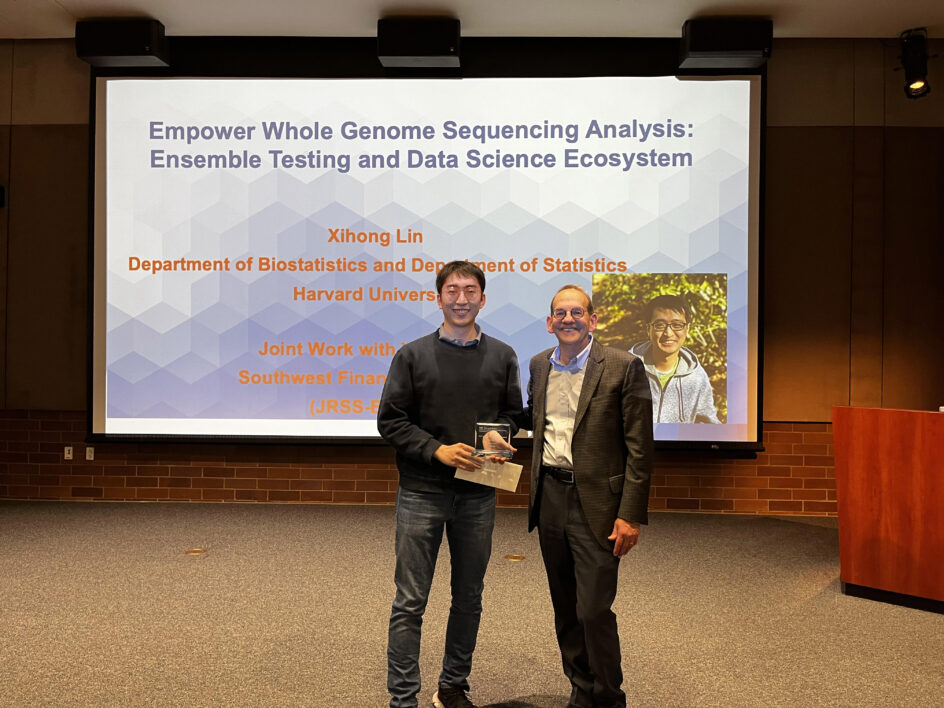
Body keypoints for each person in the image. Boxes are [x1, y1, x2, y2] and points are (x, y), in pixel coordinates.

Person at [377, 260, 523, 708]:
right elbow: (391, 421)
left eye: (470, 290)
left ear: (483, 297)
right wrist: (436, 450)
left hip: (478, 494)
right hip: (422, 492)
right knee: (410, 602)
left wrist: (503, 432)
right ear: (438, 297)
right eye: (452, 290)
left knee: (469, 598)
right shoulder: (412, 355)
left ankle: (452, 687)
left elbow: (513, 415)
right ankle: (403, 699)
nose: (461, 298)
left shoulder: (502, 355)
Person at [516, 284, 653, 708]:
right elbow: (533, 419)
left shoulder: (623, 365)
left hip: (597, 504)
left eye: (577, 312)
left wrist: (629, 515)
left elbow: (639, 447)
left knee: (593, 609)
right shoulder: (540, 366)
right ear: (549, 322)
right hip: (550, 498)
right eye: (560, 313)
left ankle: (609, 697)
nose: (568, 319)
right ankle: (581, 688)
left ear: (592, 320)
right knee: (565, 606)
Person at [629, 293, 720, 424]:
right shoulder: (625, 370)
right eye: (659, 325)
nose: (668, 333)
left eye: (677, 325)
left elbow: (708, 423)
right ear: (648, 329)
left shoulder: (697, 377)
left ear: (687, 329)